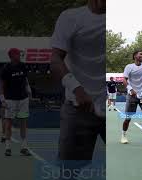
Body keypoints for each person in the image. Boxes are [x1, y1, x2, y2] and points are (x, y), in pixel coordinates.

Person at [50, 0, 105, 165]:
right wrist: (77, 89)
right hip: (78, 108)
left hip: (112, 109)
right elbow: (55, 59)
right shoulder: (70, 17)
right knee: (68, 170)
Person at [0, 48, 32, 156]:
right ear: (12, 56)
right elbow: (1, 86)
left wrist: (29, 89)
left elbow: (25, 80)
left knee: (23, 123)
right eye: (18, 53)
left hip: (23, 100)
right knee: (8, 124)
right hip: (10, 101)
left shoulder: (23, 66)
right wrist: (3, 100)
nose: (20, 55)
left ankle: (24, 147)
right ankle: (8, 148)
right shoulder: (6, 69)